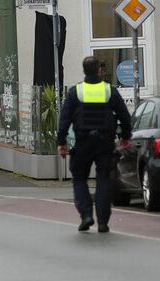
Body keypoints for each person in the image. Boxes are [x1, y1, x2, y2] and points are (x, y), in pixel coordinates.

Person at [57, 56, 132, 233]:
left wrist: (61, 142)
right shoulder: (109, 91)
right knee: (104, 178)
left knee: (79, 178)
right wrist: (125, 137)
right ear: (99, 70)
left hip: (83, 141)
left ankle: (86, 215)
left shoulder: (76, 92)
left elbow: (65, 118)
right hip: (105, 141)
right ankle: (103, 222)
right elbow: (124, 116)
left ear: (84, 71)